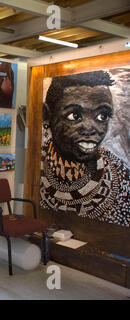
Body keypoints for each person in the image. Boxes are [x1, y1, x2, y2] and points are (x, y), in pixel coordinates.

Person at [40, 70, 129, 227]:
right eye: (74, 116)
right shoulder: (35, 163)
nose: (90, 128)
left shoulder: (122, 180)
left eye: (102, 116)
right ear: (47, 114)